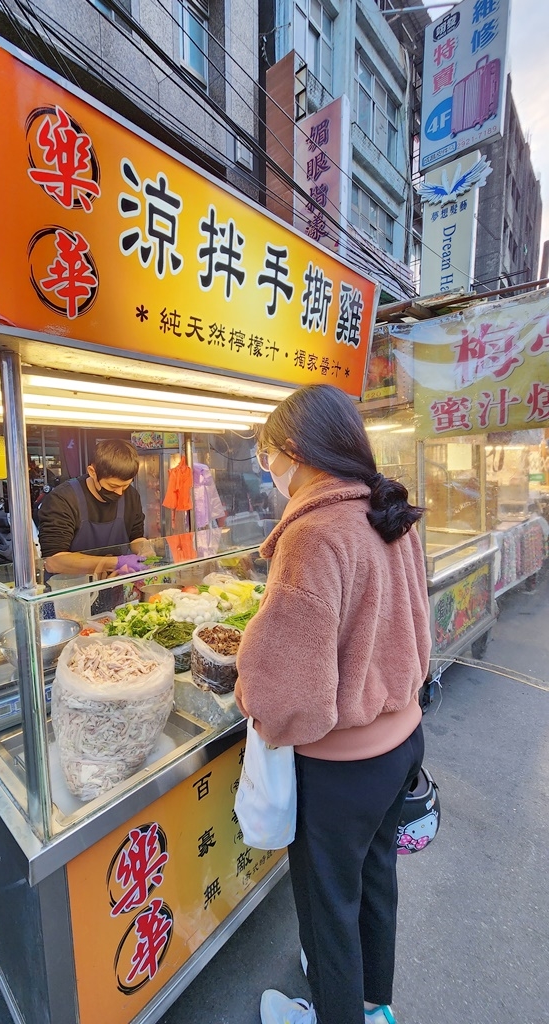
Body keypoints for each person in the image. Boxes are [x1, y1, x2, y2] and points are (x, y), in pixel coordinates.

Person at [234, 385, 431, 1024]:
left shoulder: (315, 532)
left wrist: (246, 689)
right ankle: (376, 1009)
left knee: (327, 910)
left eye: (267, 458)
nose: (269, 472)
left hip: (342, 766)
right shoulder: (387, 509)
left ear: (293, 451)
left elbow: (286, 695)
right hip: (400, 744)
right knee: (375, 887)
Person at [37, 439, 153, 577]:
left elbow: (136, 537)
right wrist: (116, 562)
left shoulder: (131, 496)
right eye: (113, 486)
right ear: (92, 472)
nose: (120, 493)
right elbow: (54, 561)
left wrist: (145, 549)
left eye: (126, 485)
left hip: (114, 585)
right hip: (71, 590)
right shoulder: (62, 499)